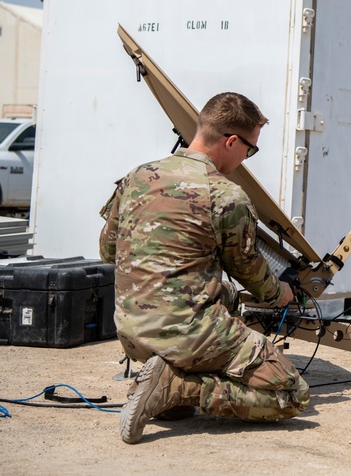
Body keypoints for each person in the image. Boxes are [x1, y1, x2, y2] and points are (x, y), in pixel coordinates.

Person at [99, 92, 310, 444]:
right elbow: (248, 271)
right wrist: (280, 292)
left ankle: (164, 382)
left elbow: (107, 250)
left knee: (224, 295)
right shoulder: (226, 195)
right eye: (250, 149)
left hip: (131, 333)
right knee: (292, 396)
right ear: (230, 141)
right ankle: (179, 387)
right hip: (185, 333)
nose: (247, 158)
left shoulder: (136, 177)